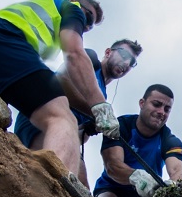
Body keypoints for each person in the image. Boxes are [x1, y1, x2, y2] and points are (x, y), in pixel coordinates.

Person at [0, 0, 118, 179]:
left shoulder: (44, 9)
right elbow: (74, 54)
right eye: (88, 18)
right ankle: (56, 191)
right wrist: (100, 106)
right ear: (76, 3)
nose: (86, 27)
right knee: (63, 118)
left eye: (90, 25)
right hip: (5, 39)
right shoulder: (71, 9)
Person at [12, 39, 143, 187]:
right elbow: (60, 80)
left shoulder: (102, 97)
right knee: (55, 178)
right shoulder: (89, 60)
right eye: (124, 55)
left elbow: (80, 136)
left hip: (65, 132)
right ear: (108, 52)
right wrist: (94, 111)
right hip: (41, 120)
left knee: (82, 189)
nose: (126, 63)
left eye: (131, 63)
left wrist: (89, 128)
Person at [93, 84, 182, 197]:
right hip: (113, 190)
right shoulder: (121, 126)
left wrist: (175, 184)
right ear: (142, 103)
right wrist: (136, 176)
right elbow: (112, 165)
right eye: (156, 104)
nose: (161, 112)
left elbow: (177, 171)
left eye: (167, 109)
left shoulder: (170, 140)